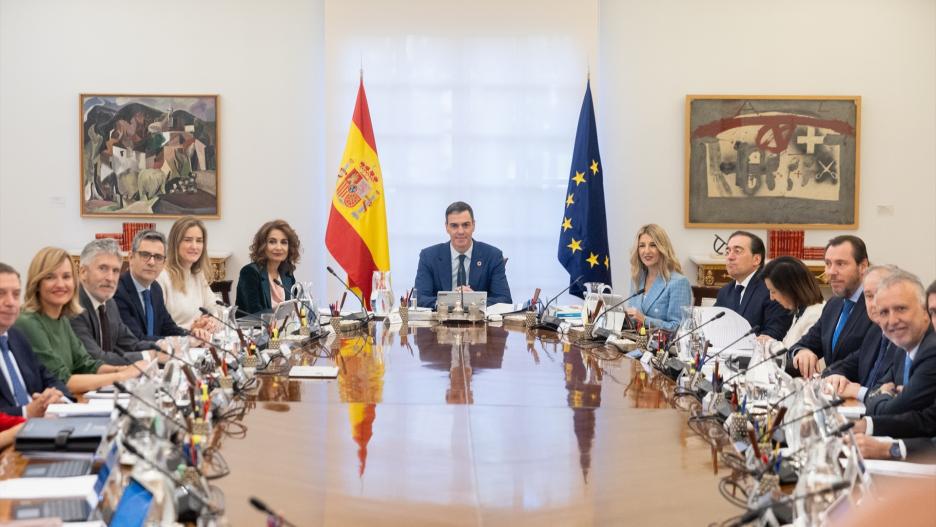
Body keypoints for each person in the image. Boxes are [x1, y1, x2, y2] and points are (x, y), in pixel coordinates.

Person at [13, 248, 145, 393]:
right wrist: (121, 376)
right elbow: (61, 380)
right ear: (37, 282)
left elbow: (86, 364)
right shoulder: (28, 322)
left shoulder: (62, 318)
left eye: (66, 277)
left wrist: (126, 369)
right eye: (50, 277)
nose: (60, 284)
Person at [71, 239, 166, 365]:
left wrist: (163, 347)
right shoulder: (73, 306)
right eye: (103, 268)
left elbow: (131, 344)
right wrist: (149, 356)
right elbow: (96, 359)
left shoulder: (110, 304)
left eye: (115, 271)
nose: (110, 278)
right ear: (83, 272)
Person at [790, 235, 874, 377]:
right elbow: (804, 344)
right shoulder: (833, 305)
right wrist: (801, 351)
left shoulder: (876, 305)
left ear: (863, 266)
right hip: (830, 394)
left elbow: (866, 357)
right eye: (828, 264)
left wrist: (825, 376)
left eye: (840, 264)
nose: (831, 272)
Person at [862, 270, 936, 417]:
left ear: (925, 311)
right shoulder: (901, 348)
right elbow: (874, 391)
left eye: (901, 309)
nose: (893, 321)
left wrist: (886, 396)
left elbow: (894, 411)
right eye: (883, 313)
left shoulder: (931, 350)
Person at [0, 262, 69, 417]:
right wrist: (26, 412)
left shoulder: (17, 337)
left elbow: (51, 378)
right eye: (0, 294)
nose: (10, 302)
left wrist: (56, 397)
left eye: (16, 294)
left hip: (40, 426)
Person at [414, 201, 512, 308]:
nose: (460, 231)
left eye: (466, 225)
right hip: (441, 321)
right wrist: (450, 302)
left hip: (479, 321)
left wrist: (473, 300)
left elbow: (505, 300)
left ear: (473, 225)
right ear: (446, 227)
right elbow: (419, 298)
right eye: (454, 226)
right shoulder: (428, 256)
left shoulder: (493, 256)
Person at [822, 265, 898, 402]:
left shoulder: (906, 339)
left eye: (880, 294)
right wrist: (836, 377)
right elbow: (841, 366)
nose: (873, 303)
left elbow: (893, 397)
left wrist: (858, 392)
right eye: (868, 296)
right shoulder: (875, 331)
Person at [114, 230, 193, 340]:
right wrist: (178, 342)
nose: (151, 262)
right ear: (131, 257)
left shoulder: (155, 288)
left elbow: (168, 327)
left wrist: (192, 336)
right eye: (145, 255)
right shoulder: (117, 291)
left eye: (158, 257)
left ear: (164, 263)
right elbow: (135, 339)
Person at [714, 231, 792, 340]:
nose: (730, 257)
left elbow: (774, 333)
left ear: (756, 259)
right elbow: (713, 327)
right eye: (728, 251)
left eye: (737, 251)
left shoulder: (772, 290)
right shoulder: (725, 291)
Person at [156, 216, 220, 330]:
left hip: (197, 342)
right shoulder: (162, 277)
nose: (194, 246)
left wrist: (210, 322)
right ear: (176, 243)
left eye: (199, 241)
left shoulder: (197, 274)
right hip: (175, 343)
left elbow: (215, 308)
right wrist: (192, 328)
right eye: (188, 240)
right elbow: (159, 326)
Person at [624, 224, 691, 332]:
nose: (646, 251)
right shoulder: (637, 278)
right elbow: (632, 320)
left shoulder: (679, 282)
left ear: (662, 248)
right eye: (642, 245)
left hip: (661, 347)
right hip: (634, 342)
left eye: (653, 245)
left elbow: (679, 328)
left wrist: (645, 320)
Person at [757, 256, 825, 359]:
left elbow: (797, 357)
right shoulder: (800, 311)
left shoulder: (815, 314)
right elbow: (789, 348)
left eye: (773, 291)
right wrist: (771, 343)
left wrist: (771, 345)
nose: (771, 298)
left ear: (790, 289)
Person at [236, 219, 300, 315]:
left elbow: (294, 307)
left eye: (284, 242)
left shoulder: (287, 273)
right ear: (263, 245)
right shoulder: (249, 273)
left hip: (283, 328)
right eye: (272, 242)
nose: (279, 247)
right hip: (253, 329)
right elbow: (257, 314)